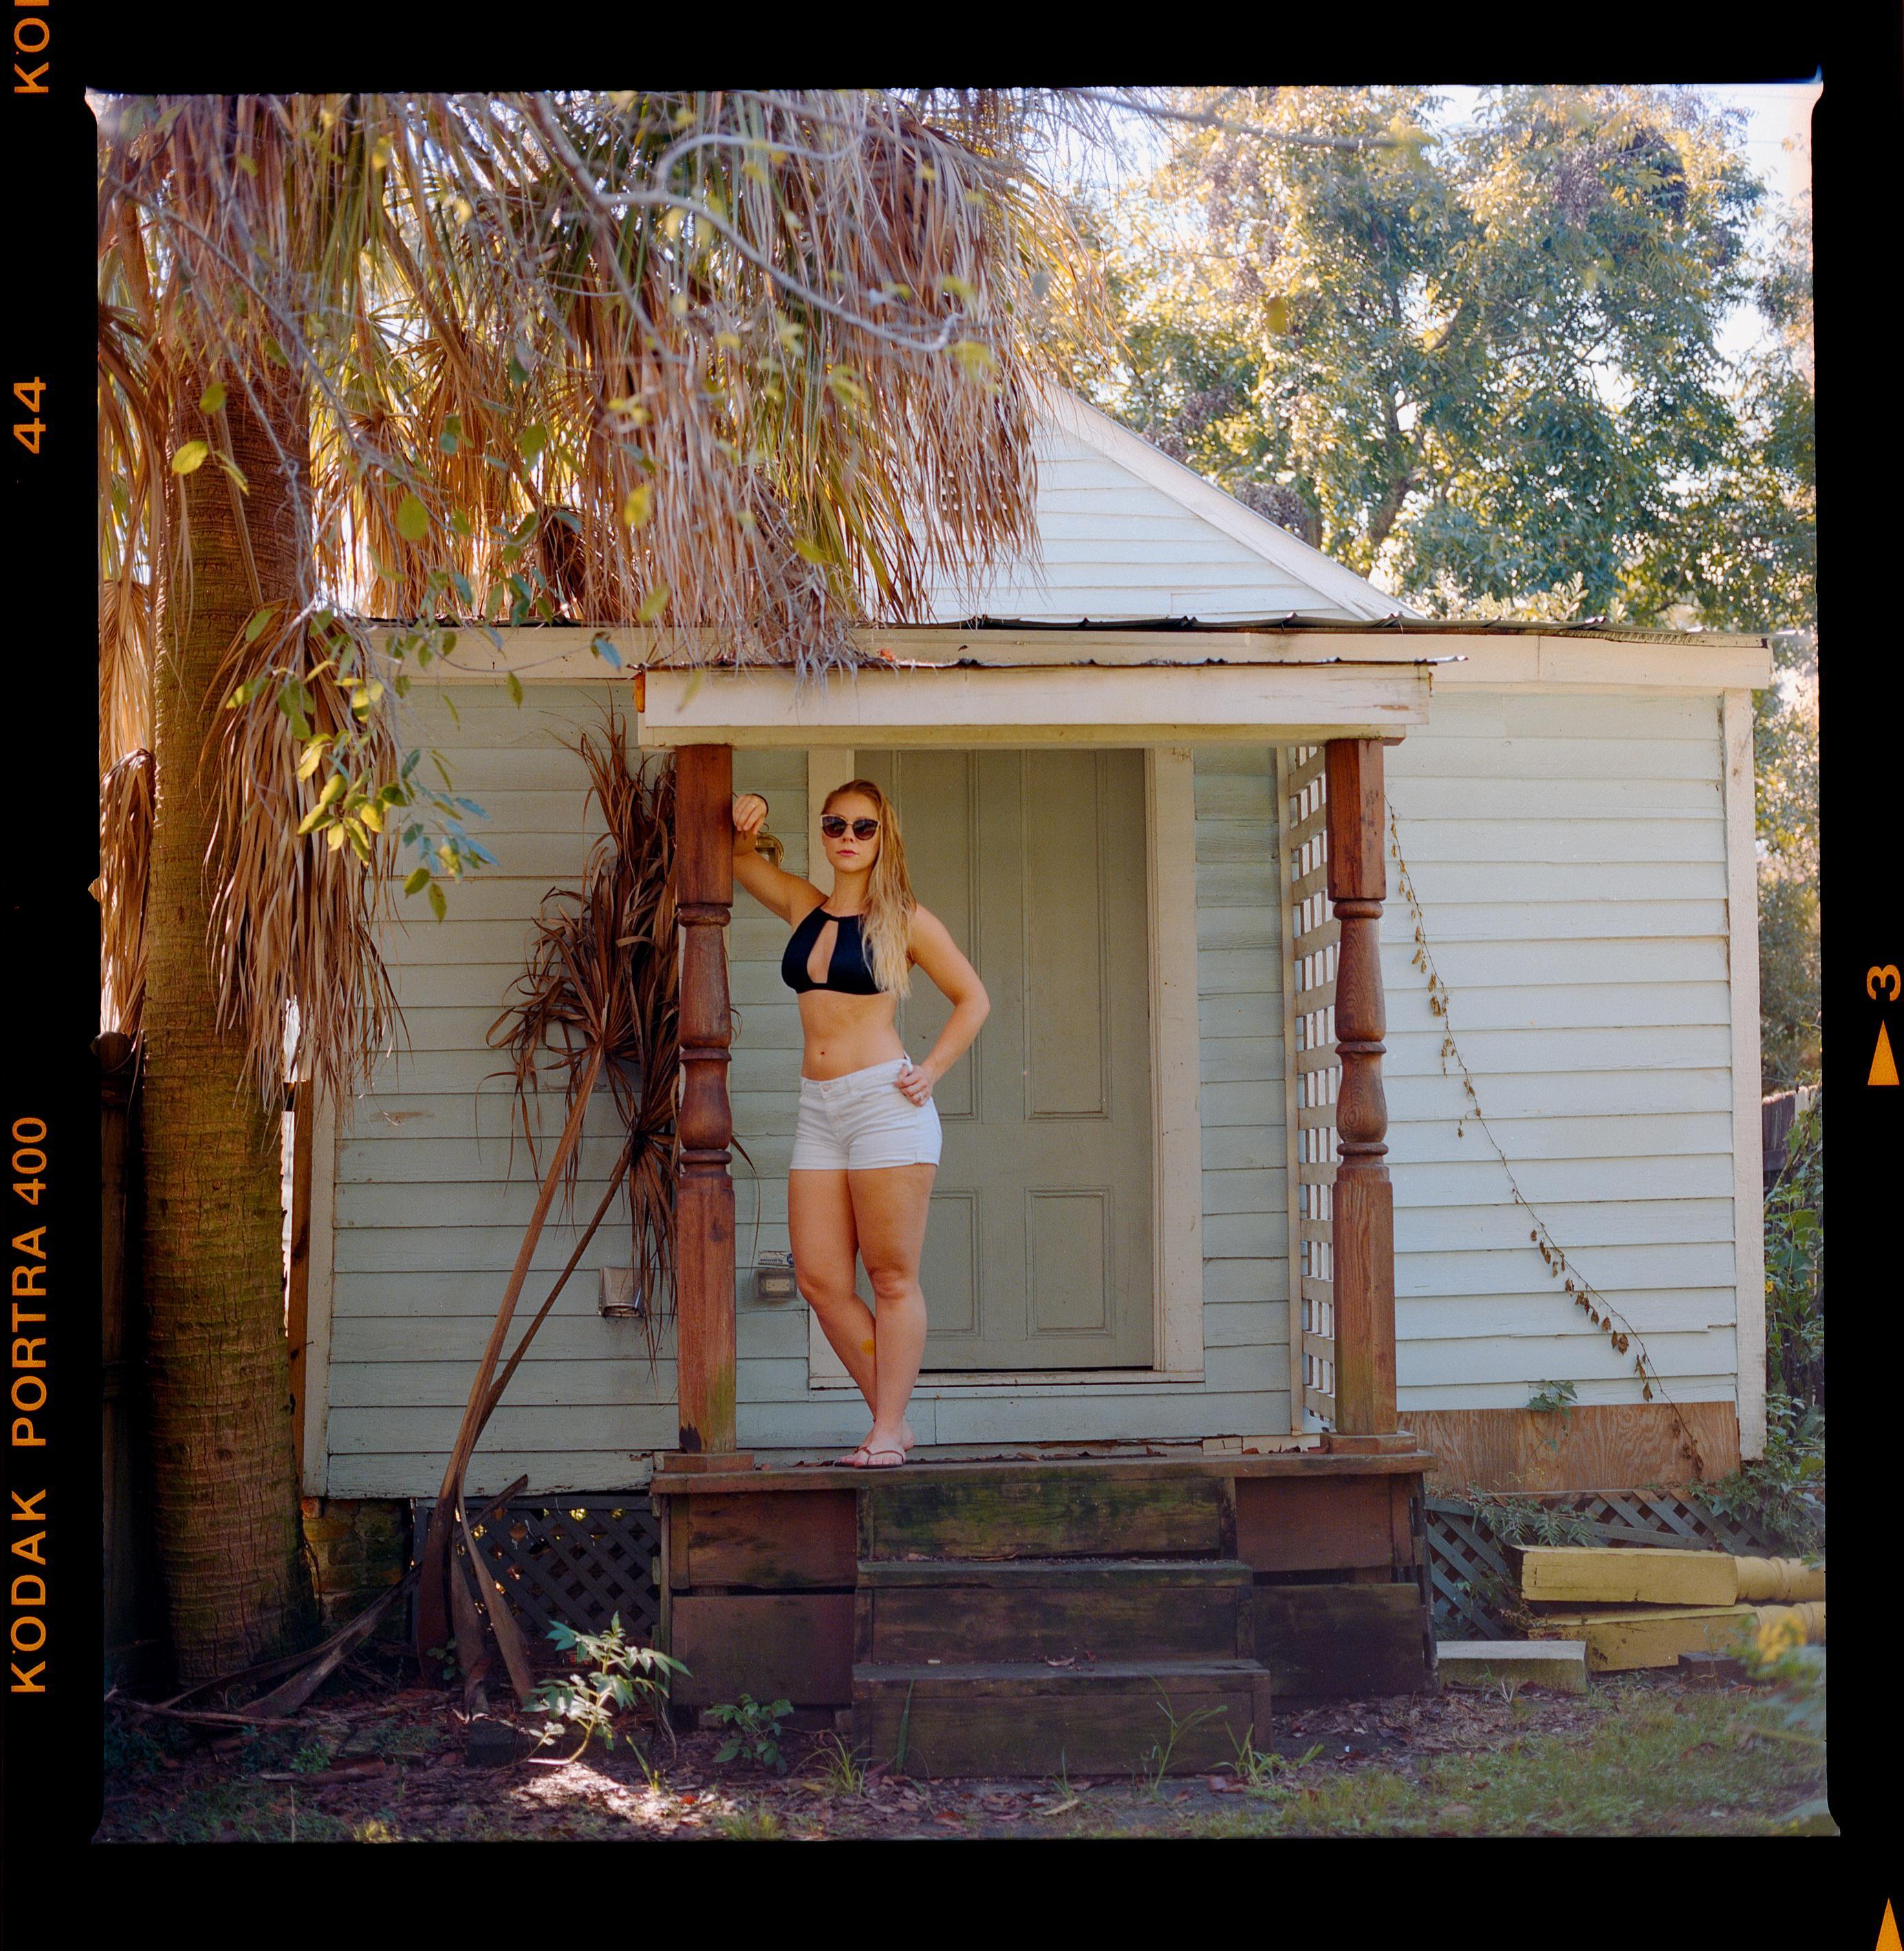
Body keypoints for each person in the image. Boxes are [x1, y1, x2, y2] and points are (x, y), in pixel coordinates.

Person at [731, 780, 988, 1467]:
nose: (848, 836)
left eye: (863, 827)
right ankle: (891, 1421)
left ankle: (887, 1431)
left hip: (883, 1106)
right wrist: (750, 810)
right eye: (835, 824)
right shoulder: (803, 905)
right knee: (819, 1280)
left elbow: (972, 998)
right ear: (823, 832)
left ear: (883, 837)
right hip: (818, 1108)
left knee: (891, 1276)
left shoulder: (904, 919)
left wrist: (930, 1069)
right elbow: (738, 859)